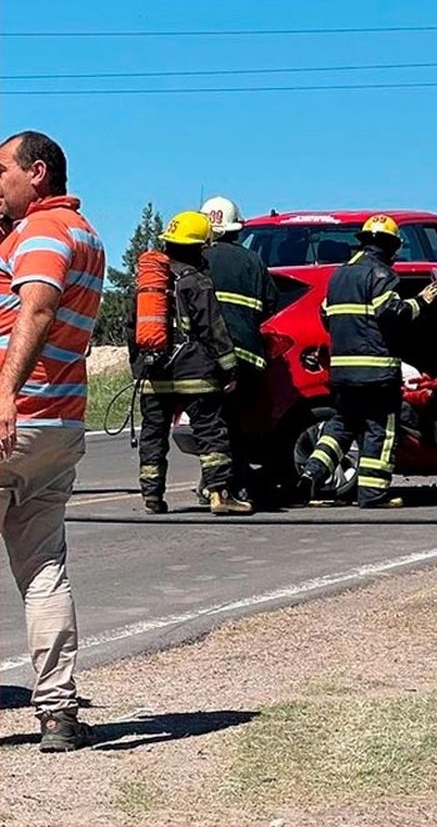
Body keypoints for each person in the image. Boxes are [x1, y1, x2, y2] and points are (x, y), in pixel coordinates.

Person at [0, 131, 105, 751]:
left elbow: (36, 309)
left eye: (1, 170)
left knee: (44, 568)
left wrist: (4, 393)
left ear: (37, 173)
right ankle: (59, 712)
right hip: (60, 422)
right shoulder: (85, 233)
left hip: (17, 416)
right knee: (43, 569)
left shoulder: (43, 233)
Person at [298, 215, 437, 508]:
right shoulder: (382, 274)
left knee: (339, 426)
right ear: (391, 247)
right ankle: (373, 494)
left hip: (343, 373)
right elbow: (393, 314)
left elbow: (326, 315)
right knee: (380, 431)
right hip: (376, 374)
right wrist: (423, 301)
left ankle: (312, 474)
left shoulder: (338, 276)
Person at [130, 211, 249, 515]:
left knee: (153, 436)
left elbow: (132, 328)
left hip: (154, 373)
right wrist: (229, 366)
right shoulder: (196, 281)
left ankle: (152, 497)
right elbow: (214, 327)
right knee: (210, 431)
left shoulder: (148, 284)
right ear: (198, 246)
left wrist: (140, 366)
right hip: (195, 372)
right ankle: (220, 494)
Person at [200, 196, 278, 502]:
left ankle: (213, 485)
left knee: (212, 424)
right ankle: (237, 484)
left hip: (206, 357)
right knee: (237, 424)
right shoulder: (253, 261)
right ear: (236, 228)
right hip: (247, 357)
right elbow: (271, 304)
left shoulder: (199, 259)